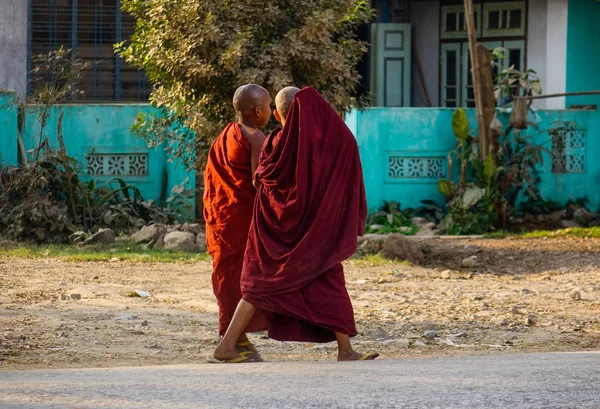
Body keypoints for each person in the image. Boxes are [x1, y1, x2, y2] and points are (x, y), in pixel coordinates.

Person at [211, 86, 378, 363]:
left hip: (274, 229)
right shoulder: (314, 144)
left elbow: (261, 182)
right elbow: (343, 148)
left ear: (276, 114)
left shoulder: (274, 141)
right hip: (307, 231)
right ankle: (226, 346)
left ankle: (345, 349)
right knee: (270, 286)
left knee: (279, 283)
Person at [203, 84, 272, 363]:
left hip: (223, 214)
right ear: (258, 111)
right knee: (248, 277)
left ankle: (236, 338)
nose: (270, 111)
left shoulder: (226, 134)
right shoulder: (257, 138)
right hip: (242, 219)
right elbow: (259, 182)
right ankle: (231, 341)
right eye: (268, 106)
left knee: (227, 274)